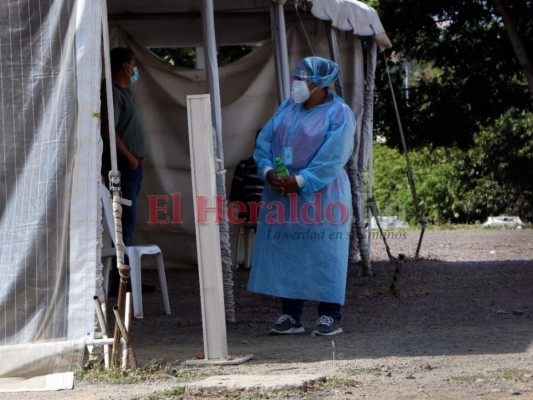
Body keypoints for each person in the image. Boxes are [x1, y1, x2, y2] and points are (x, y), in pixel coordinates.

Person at [247, 56, 355, 336]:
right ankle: (291, 315)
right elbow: (265, 141)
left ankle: (330, 314)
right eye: (297, 77)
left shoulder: (339, 113)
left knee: (324, 251)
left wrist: (300, 180)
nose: (298, 83)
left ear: (320, 84)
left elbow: (333, 157)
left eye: (304, 79)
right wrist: (269, 171)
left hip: (323, 193)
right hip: (282, 192)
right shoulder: (288, 107)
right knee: (289, 251)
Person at [101, 47, 154, 295]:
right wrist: (130, 159)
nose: (135, 70)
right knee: (123, 223)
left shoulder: (124, 92)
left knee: (128, 222)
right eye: (133, 65)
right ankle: (120, 279)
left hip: (132, 167)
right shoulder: (110, 92)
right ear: (125, 66)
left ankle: (125, 276)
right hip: (123, 167)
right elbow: (108, 130)